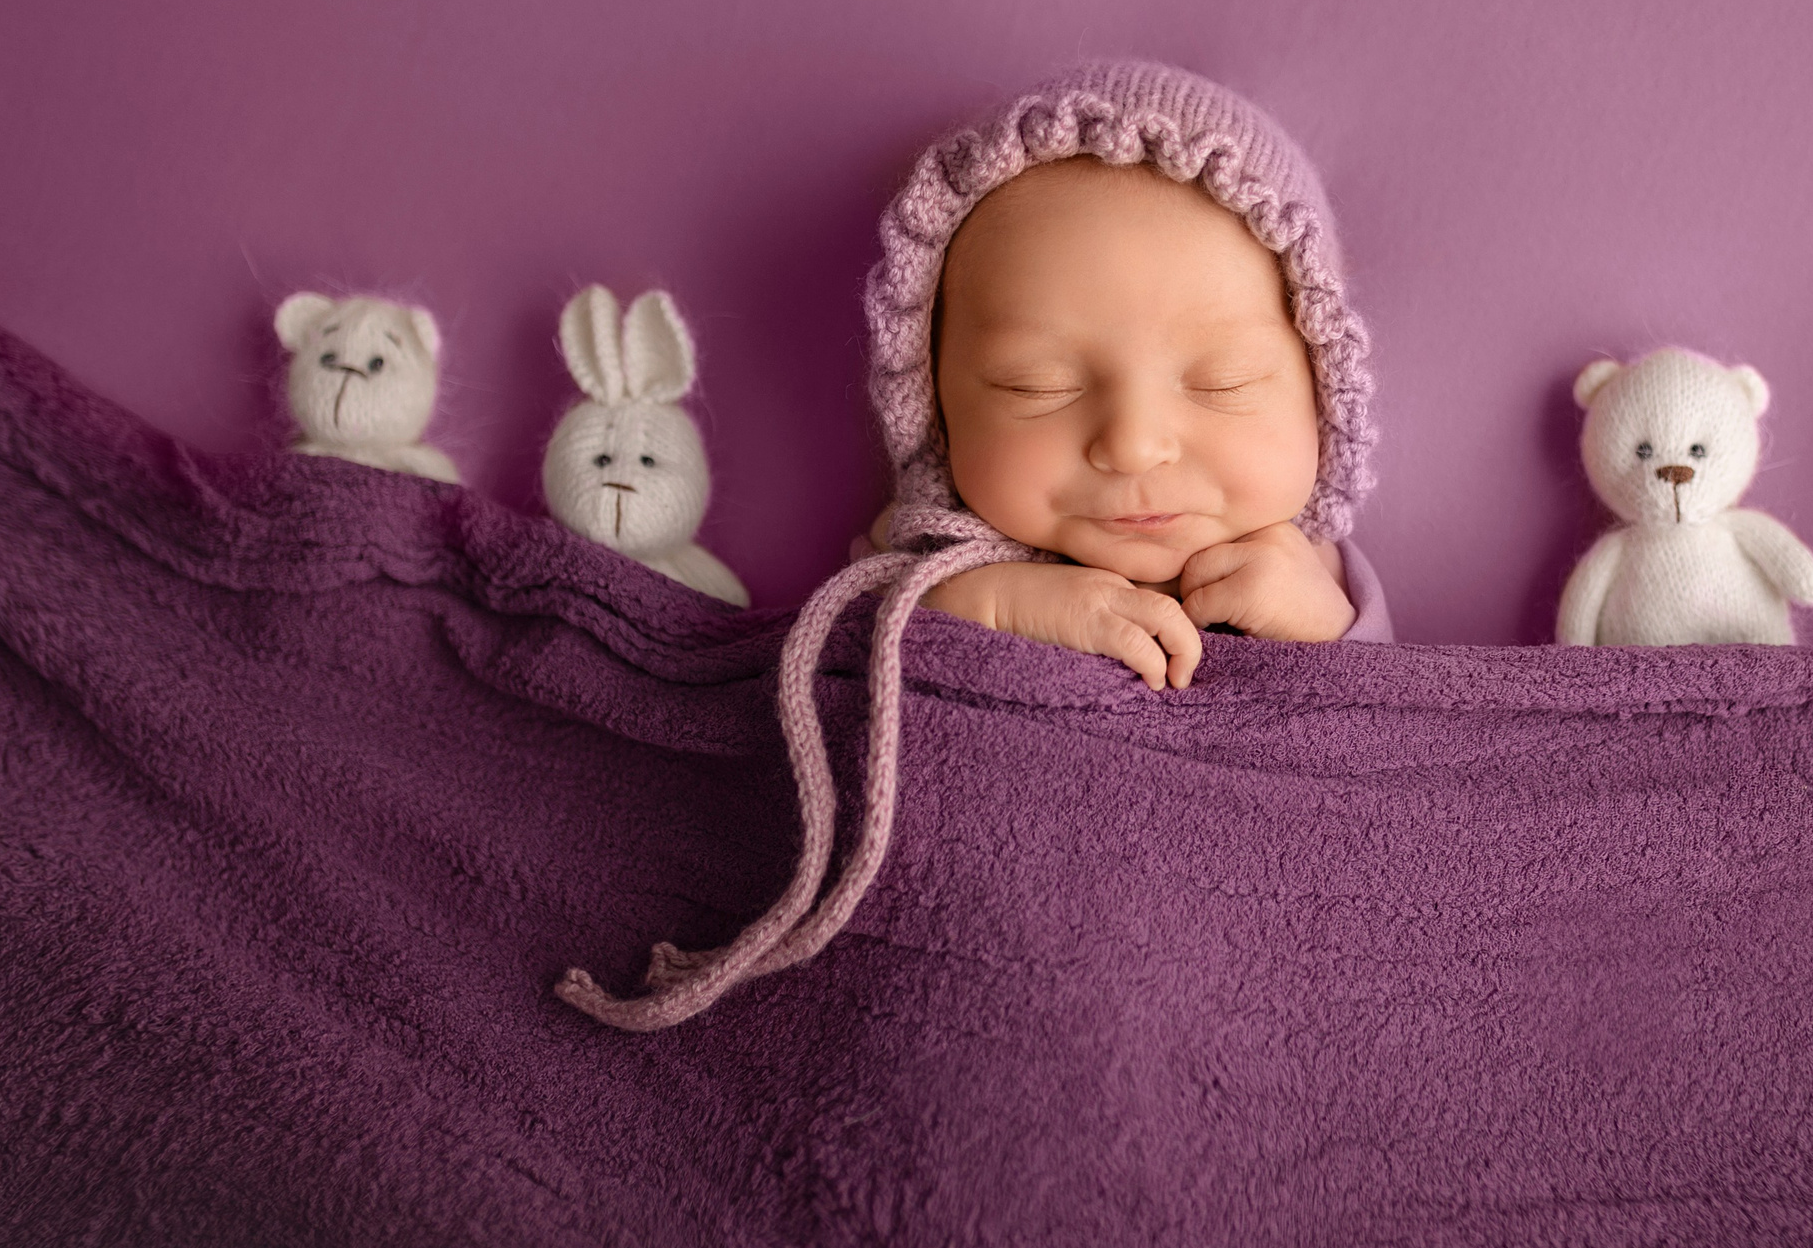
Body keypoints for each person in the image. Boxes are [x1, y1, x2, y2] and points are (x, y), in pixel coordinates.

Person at [556, 61, 1386, 1029]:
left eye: (1223, 383)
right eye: (1036, 385)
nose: (1132, 444)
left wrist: (1333, 637)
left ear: (1322, 389)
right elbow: (841, 701)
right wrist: (981, 609)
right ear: (937, 411)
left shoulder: (1317, 584)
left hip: (1246, 987)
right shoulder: (930, 575)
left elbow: (1383, 782)